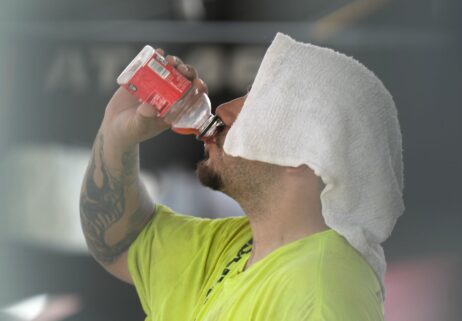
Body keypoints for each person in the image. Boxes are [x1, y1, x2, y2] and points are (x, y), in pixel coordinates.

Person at [80, 33, 404, 320]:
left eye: (257, 105)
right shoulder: (241, 245)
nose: (222, 110)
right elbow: (121, 241)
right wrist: (117, 133)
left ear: (302, 154)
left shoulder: (321, 294)